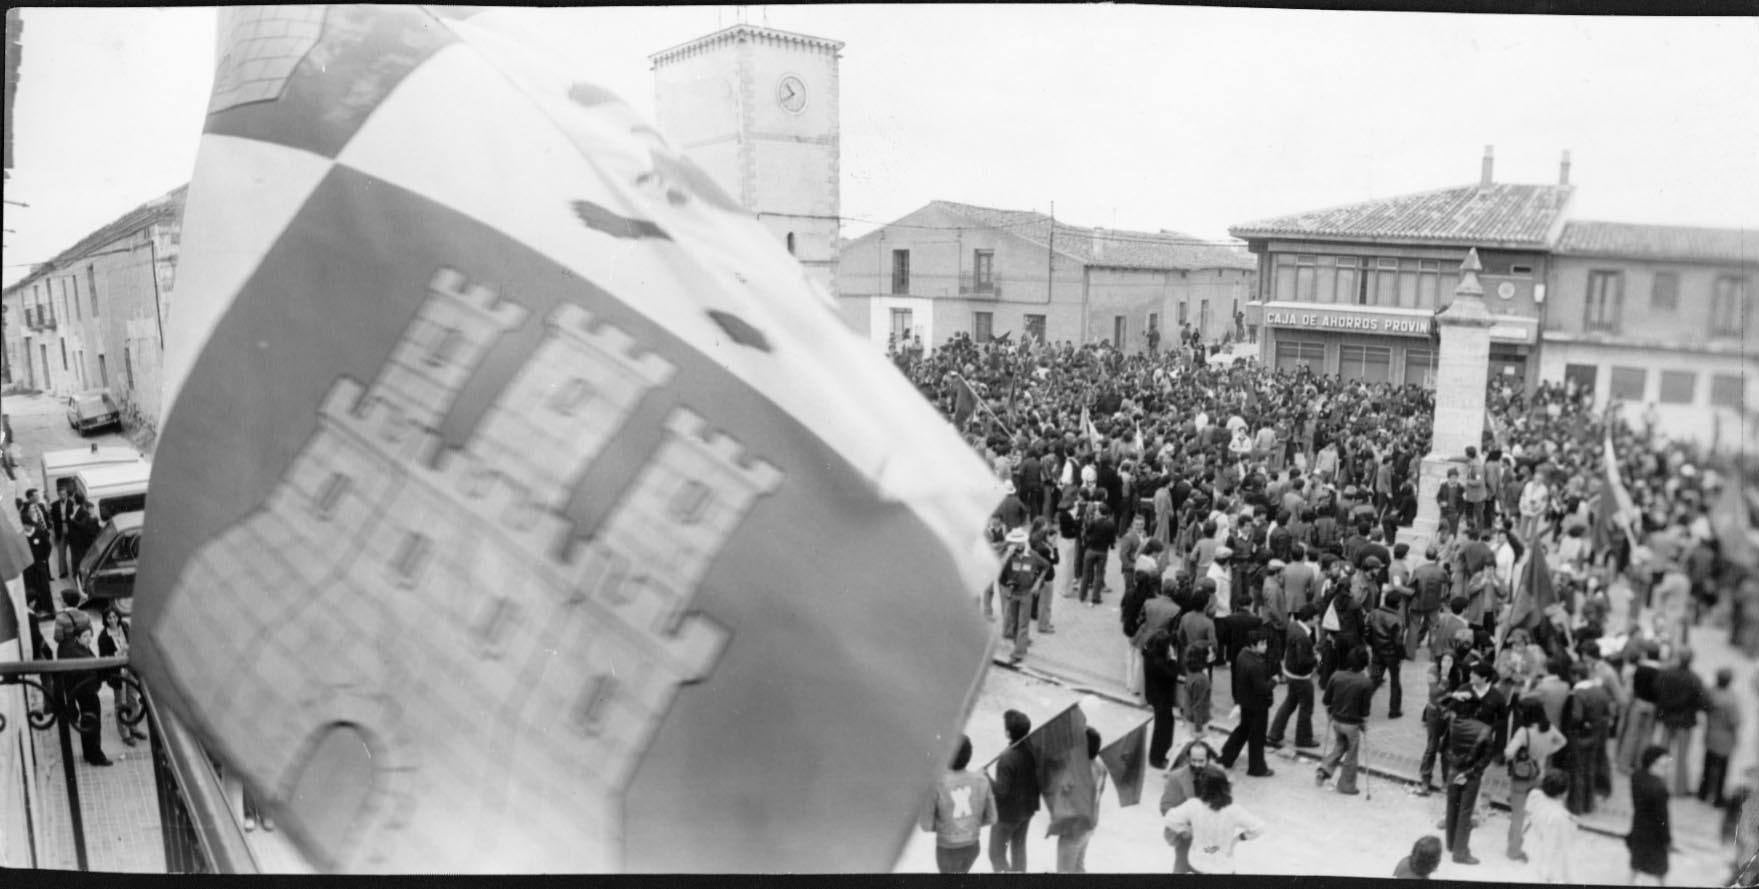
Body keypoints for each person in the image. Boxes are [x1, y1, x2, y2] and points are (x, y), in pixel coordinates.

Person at [1161, 769, 1265, 875]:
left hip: (1197, 864)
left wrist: (1186, 830)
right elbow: (1259, 828)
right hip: (1224, 867)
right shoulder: (1234, 810)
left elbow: (1170, 818)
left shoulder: (1193, 805)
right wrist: (1237, 839)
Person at [919, 734, 996, 874]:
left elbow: (926, 825)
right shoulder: (982, 780)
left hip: (947, 849)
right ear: (969, 755)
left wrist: (947, 825)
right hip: (972, 846)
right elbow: (992, 818)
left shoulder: (937, 784)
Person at [1504, 697, 1565, 863]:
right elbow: (1562, 741)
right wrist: (1547, 751)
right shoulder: (1549, 728)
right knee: (1534, 812)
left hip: (1521, 777)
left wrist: (1520, 755)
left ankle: (1513, 850)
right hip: (1539, 775)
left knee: (1518, 815)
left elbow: (1509, 752)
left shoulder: (1523, 732)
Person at [1442, 694, 1495, 865]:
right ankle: (1460, 852)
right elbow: (1486, 759)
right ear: (1477, 710)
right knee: (1465, 812)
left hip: (1454, 771)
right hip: (1471, 776)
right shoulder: (1485, 729)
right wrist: (1470, 771)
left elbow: (1443, 748)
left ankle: (1451, 843)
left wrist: (1456, 765)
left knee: (1452, 807)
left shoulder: (1453, 724)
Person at [1160, 738, 1227, 874]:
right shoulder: (1175, 777)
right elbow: (1165, 806)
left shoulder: (1217, 775)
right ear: (1188, 758)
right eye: (1193, 760)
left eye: (1201, 761)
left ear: (1208, 759)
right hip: (1185, 835)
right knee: (1181, 867)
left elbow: (1225, 802)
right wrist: (1184, 826)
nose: (1197, 765)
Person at [1217, 629, 1276, 777]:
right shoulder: (1256, 664)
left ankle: (1226, 757)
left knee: (1243, 729)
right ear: (1254, 645)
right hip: (1258, 705)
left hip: (1245, 701)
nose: (1265, 647)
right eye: (1262, 644)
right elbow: (1263, 688)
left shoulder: (1243, 655)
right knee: (1257, 737)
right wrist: (1274, 680)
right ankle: (1256, 767)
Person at [55, 616, 112, 767]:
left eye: (89, 635)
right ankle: (96, 756)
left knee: (88, 722)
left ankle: (89, 753)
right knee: (93, 723)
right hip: (86, 692)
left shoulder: (77, 648)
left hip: (85, 691)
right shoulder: (77, 651)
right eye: (85, 636)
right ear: (77, 638)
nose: (89, 639)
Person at [1315, 644, 1372, 794]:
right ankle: (1346, 785)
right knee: (1351, 755)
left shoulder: (1336, 675)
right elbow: (1365, 711)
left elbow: (1326, 700)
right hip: (1352, 724)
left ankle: (1324, 769)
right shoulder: (1365, 682)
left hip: (1336, 720)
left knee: (1340, 745)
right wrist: (1364, 725)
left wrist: (1330, 716)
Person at [989, 710, 1038, 873]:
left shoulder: (1006, 758)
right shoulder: (1033, 748)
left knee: (996, 854)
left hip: (1008, 815)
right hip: (1027, 809)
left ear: (1008, 732)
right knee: (1019, 849)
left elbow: (1001, 792)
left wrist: (986, 778)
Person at [1267, 604, 1321, 751]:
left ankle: (1274, 734)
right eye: (1316, 617)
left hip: (1290, 672)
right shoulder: (1303, 638)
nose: (1318, 619)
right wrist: (1317, 659)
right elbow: (1303, 661)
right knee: (1306, 708)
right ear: (1310, 619)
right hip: (1301, 677)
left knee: (1290, 703)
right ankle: (1303, 738)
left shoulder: (1293, 626)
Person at [1056, 727, 1108, 873]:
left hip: (1073, 828)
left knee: (1064, 870)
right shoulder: (1100, 766)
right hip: (1089, 822)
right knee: (1078, 865)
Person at [96, 608, 147, 747]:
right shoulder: (104, 637)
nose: (112, 620)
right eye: (109, 618)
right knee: (120, 703)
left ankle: (133, 726)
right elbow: (104, 658)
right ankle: (124, 733)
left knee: (133, 699)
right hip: (117, 672)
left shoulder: (124, 626)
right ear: (105, 620)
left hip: (129, 669)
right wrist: (118, 653)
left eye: (114, 617)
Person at [996, 528, 1049, 664]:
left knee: (1023, 624)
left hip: (1026, 593)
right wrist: (1007, 555)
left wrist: (1038, 582)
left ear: (1023, 542)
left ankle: (1017, 653)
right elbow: (998, 570)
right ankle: (1021, 646)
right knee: (1014, 623)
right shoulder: (1009, 555)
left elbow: (1046, 566)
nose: (1015, 544)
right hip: (1012, 593)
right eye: (1013, 541)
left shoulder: (1032, 555)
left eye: (1017, 542)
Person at [1627, 744, 1673, 885]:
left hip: (1639, 826)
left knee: (1638, 859)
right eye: (1663, 766)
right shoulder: (1659, 789)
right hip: (1655, 834)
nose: (1667, 770)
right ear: (1653, 764)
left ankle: (1633, 878)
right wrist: (1667, 838)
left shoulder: (1637, 776)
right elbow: (1663, 818)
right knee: (1659, 866)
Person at [1525, 770, 1579, 884]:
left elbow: (1529, 810)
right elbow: (1566, 846)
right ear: (1563, 793)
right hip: (1552, 860)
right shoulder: (1561, 817)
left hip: (1536, 849)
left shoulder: (1535, 796)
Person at [1699, 667, 1738, 808]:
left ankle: (1702, 793)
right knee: (1722, 769)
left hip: (1711, 733)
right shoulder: (1731, 699)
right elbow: (1734, 721)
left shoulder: (1711, 693)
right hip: (1725, 737)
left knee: (1707, 764)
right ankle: (1717, 797)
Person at [1365, 588, 1407, 718]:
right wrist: (1401, 655)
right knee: (1395, 681)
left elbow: (1366, 632)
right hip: (1392, 656)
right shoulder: (1397, 620)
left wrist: (1373, 645)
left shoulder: (1373, 613)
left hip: (1377, 653)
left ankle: (1361, 703)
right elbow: (1398, 642)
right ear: (1398, 604)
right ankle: (1394, 710)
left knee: (1374, 679)